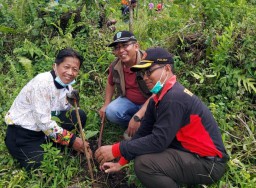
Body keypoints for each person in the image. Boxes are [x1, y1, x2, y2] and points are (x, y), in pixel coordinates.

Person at [95, 47, 229, 187]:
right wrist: (121, 163)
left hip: (209, 164)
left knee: (144, 164)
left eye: (149, 71)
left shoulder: (174, 98)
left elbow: (159, 141)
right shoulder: (158, 97)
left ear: (166, 69)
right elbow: (143, 132)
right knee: (142, 151)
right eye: (143, 73)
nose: (145, 77)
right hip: (188, 152)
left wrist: (117, 149)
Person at [4, 48, 90, 171]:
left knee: (79, 115)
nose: (70, 72)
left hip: (45, 128)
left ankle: (54, 143)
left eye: (75, 69)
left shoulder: (67, 85)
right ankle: (44, 147)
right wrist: (72, 140)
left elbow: (66, 110)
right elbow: (44, 123)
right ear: (55, 66)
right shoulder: (42, 83)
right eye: (66, 67)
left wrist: (73, 103)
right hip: (24, 133)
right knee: (41, 166)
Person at [99, 30, 151, 139]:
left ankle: (140, 122)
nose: (121, 50)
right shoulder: (115, 66)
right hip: (128, 101)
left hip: (149, 102)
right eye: (117, 48)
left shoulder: (148, 62)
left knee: (160, 113)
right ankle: (135, 124)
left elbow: (158, 92)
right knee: (111, 111)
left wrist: (139, 114)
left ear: (136, 46)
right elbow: (110, 83)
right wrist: (106, 104)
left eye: (125, 45)